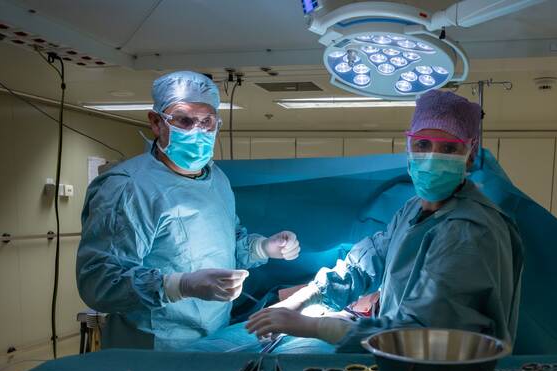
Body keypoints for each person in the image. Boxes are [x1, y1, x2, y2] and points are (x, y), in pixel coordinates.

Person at [245, 90, 524, 350]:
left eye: (448, 148)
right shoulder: (414, 209)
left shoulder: (469, 231)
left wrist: (317, 326)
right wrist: (303, 299)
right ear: (408, 146)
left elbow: (421, 333)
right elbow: (367, 264)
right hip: (404, 364)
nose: (431, 158)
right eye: (423, 144)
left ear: (470, 153)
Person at [77, 71, 300, 350]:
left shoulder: (215, 179)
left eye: (207, 122)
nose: (198, 130)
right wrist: (178, 285)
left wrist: (263, 248)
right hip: (153, 345)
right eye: (184, 120)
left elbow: (225, 246)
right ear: (156, 122)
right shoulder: (128, 188)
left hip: (214, 335)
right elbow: (99, 283)